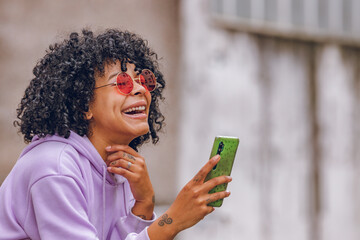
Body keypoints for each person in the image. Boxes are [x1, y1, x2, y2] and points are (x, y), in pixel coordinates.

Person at [0, 29, 232, 240]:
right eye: (121, 82)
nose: (140, 89)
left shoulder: (116, 165)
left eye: (143, 80)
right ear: (83, 105)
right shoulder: (55, 168)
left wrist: (143, 203)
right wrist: (172, 220)